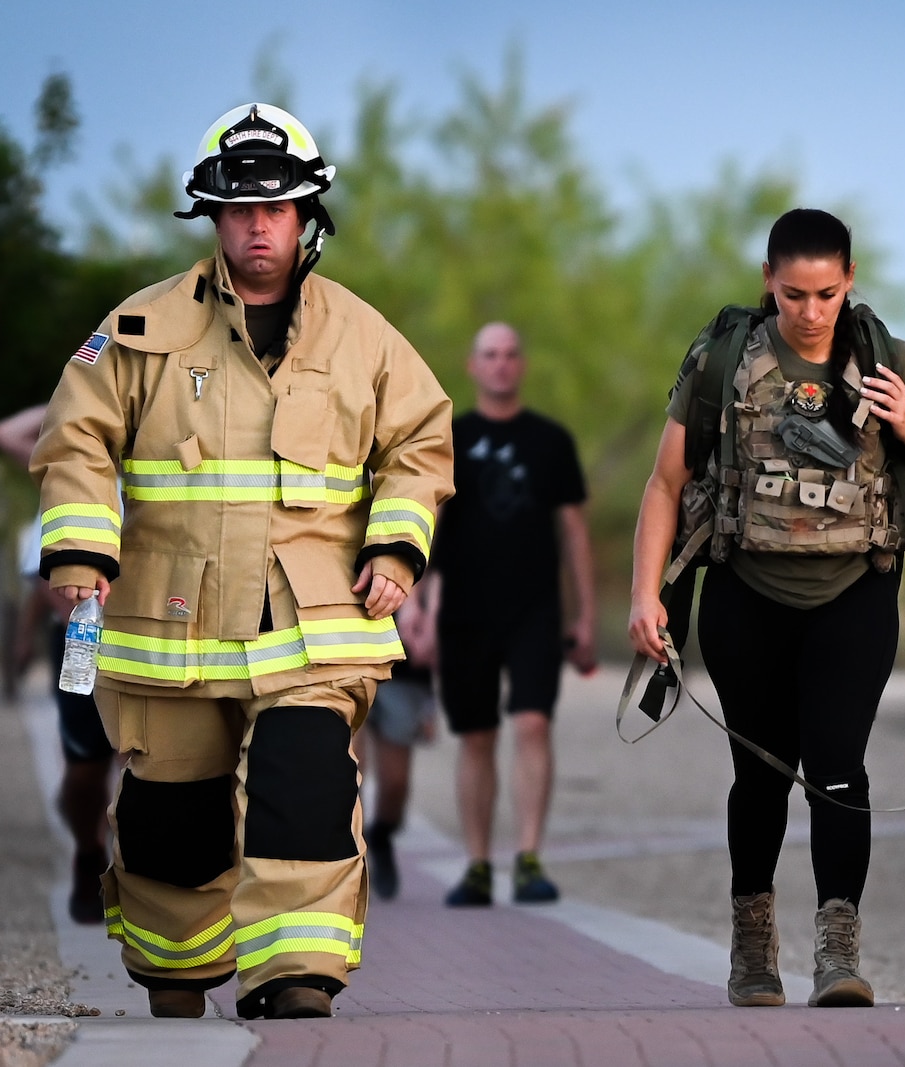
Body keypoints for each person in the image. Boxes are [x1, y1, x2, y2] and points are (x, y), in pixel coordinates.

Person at [29, 103, 455, 1021]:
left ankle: (295, 978)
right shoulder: (138, 329)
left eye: (278, 208)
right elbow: (75, 443)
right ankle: (178, 982)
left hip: (312, 623)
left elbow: (421, 444)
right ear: (212, 218)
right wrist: (76, 549)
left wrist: (395, 544)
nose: (258, 226)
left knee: (304, 786)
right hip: (167, 625)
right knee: (172, 828)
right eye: (238, 210)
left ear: (308, 218)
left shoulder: (366, 338)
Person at [627, 208, 905, 1008]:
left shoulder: (889, 358)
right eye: (791, 294)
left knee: (839, 768)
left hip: (854, 593)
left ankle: (838, 949)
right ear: (767, 282)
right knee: (760, 773)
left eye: (824, 293)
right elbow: (666, 482)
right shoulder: (721, 357)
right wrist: (647, 597)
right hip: (746, 594)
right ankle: (753, 946)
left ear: (849, 280)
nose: (810, 311)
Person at [433, 322, 595, 907]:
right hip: (465, 613)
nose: (501, 364)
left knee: (532, 724)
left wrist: (584, 617)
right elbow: (429, 532)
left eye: (510, 354)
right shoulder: (447, 441)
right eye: (489, 355)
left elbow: (573, 533)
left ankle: (528, 858)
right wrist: (420, 613)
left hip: (535, 608)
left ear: (521, 365)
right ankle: (477, 864)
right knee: (475, 736)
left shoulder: (550, 441)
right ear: (473, 366)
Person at [0, 403, 117, 925]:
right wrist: (83, 391)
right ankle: (89, 847)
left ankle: (146, 883)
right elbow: (7, 432)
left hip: (160, 639)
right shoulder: (66, 474)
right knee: (86, 774)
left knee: (158, 772)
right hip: (83, 644)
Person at [359, 568, 440, 901]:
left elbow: (436, 568)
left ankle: (382, 836)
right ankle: (350, 859)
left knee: (396, 783)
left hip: (404, 663)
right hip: (350, 653)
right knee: (350, 773)